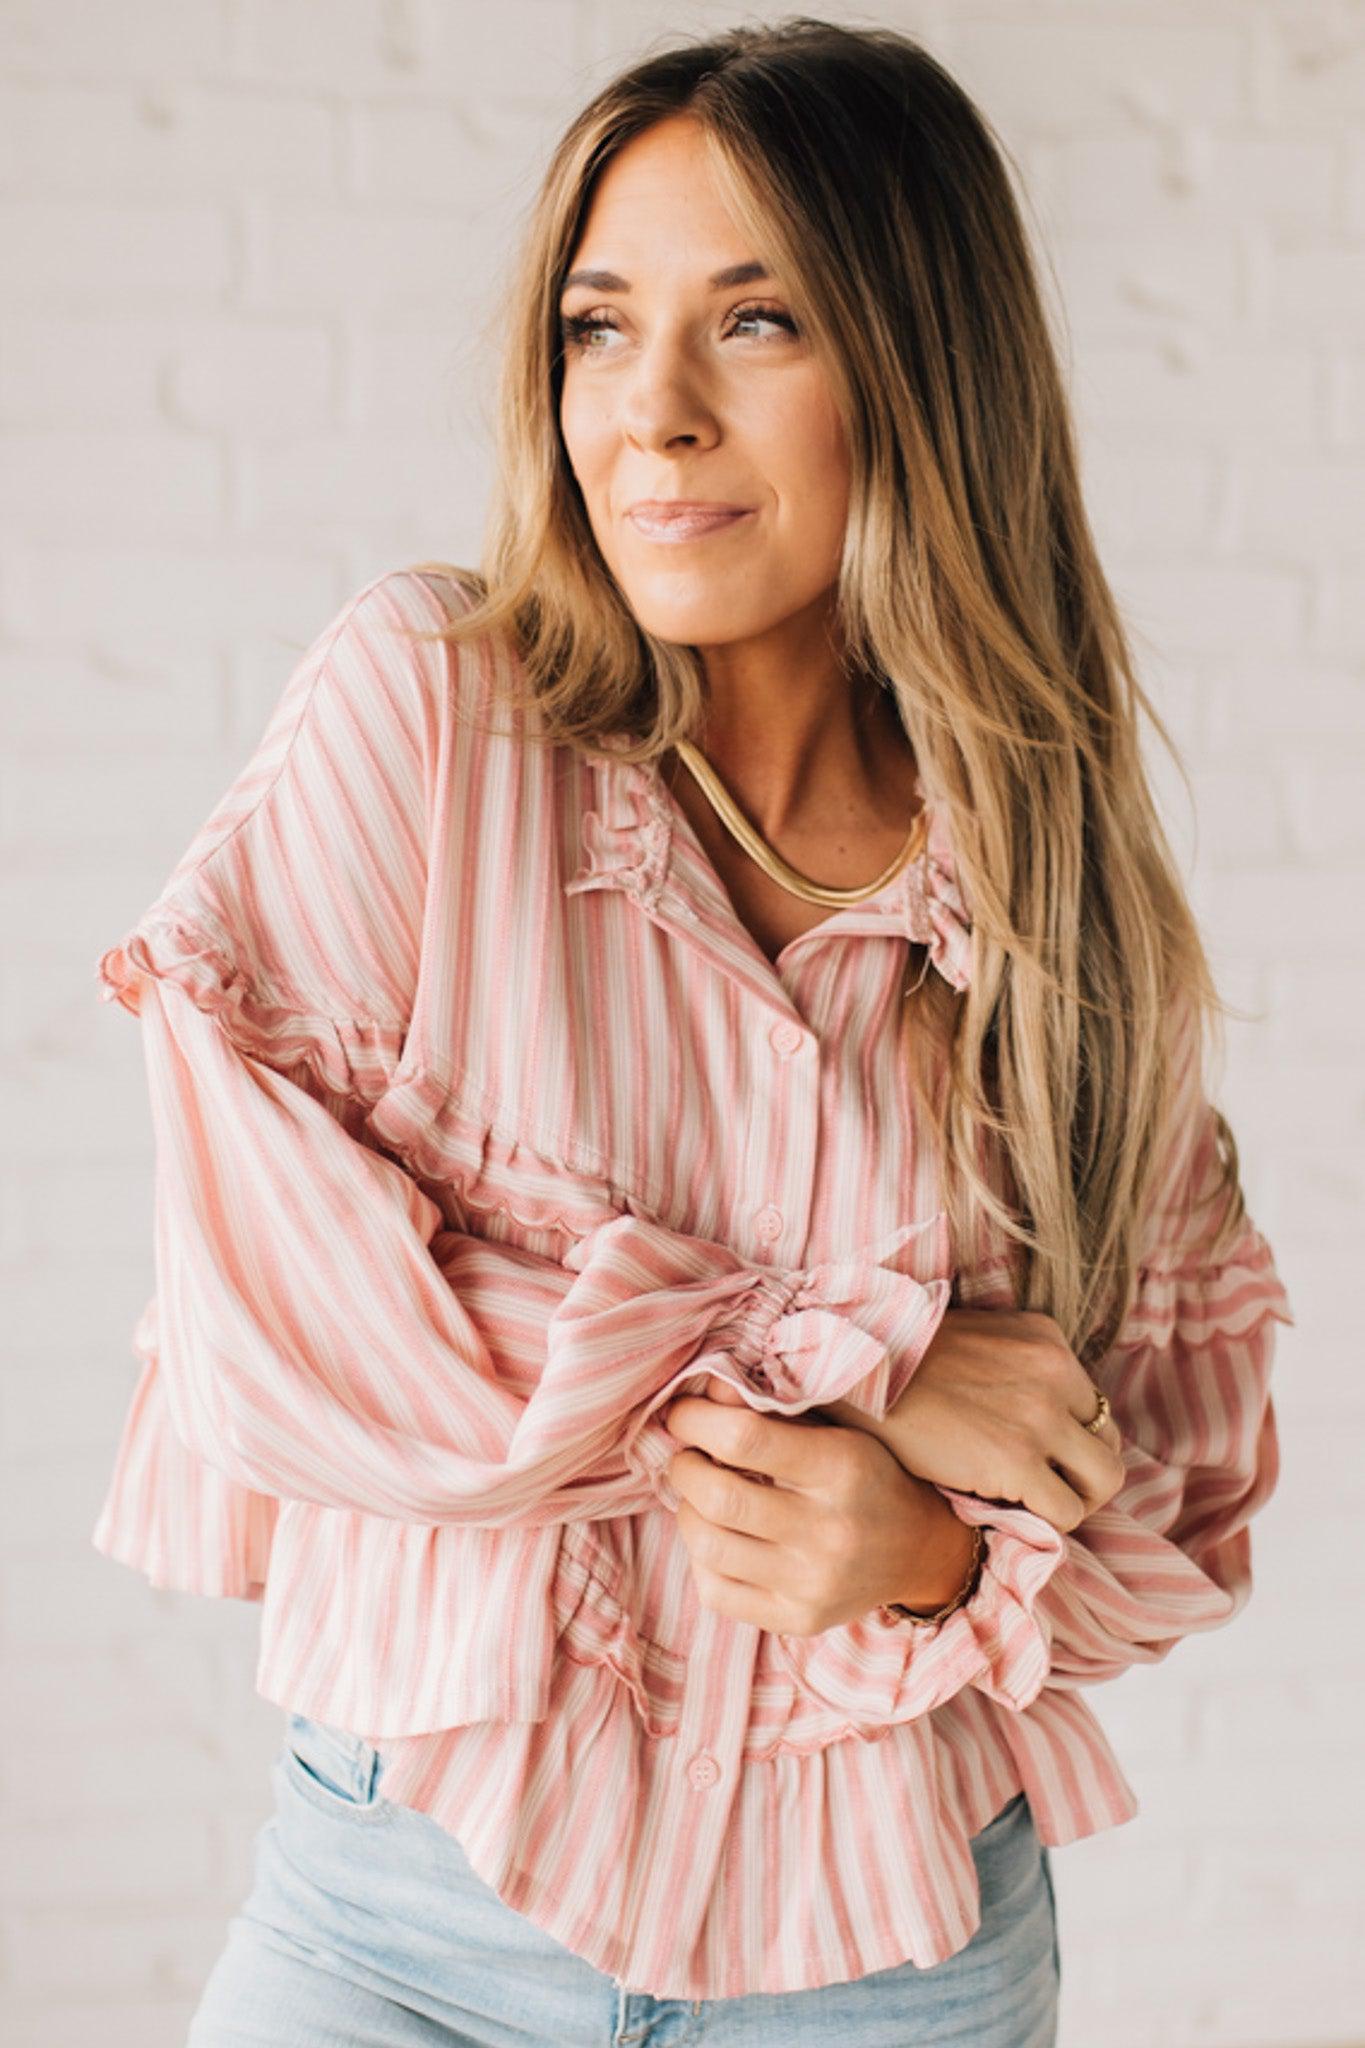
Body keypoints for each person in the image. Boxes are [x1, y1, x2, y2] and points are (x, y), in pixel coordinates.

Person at [92, 18, 1294, 2046]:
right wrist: (857, 1361)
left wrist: (928, 1557)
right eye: (596, 327)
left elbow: (1171, 1488)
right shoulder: (428, 723)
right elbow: (281, 1328)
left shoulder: (1047, 899)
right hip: (400, 1932)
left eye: (753, 322)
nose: (647, 414)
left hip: (891, 1963)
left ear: (918, 372)